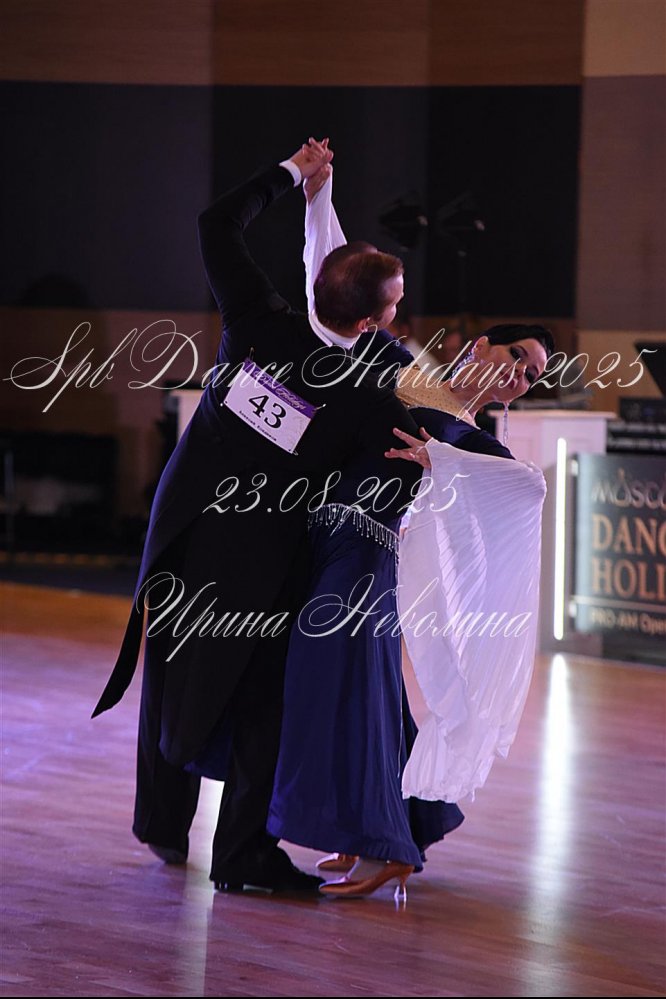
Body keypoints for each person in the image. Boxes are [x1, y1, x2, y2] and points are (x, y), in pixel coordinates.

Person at [91, 139, 426, 894]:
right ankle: (242, 855)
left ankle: (162, 825)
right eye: (394, 304)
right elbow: (411, 453)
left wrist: (291, 175)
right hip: (260, 561)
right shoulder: (363, 396)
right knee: (258, 702)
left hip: (181, 525)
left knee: (170, 668)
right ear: (371, 322)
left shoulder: (256, 317)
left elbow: (215, 223)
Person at [266, 166, 552, 899]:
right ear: (482, 345)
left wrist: (441, 459)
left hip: (366, 556)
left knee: (344, 694)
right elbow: (340, 289)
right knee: (363, 697)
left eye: (533, 377)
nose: (521, 377)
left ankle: (382, 843)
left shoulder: (473, 439)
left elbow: (529, 488)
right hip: (329, 543)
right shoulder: (408, 367)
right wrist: (318, 198)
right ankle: (403, 824)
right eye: (517, 358)